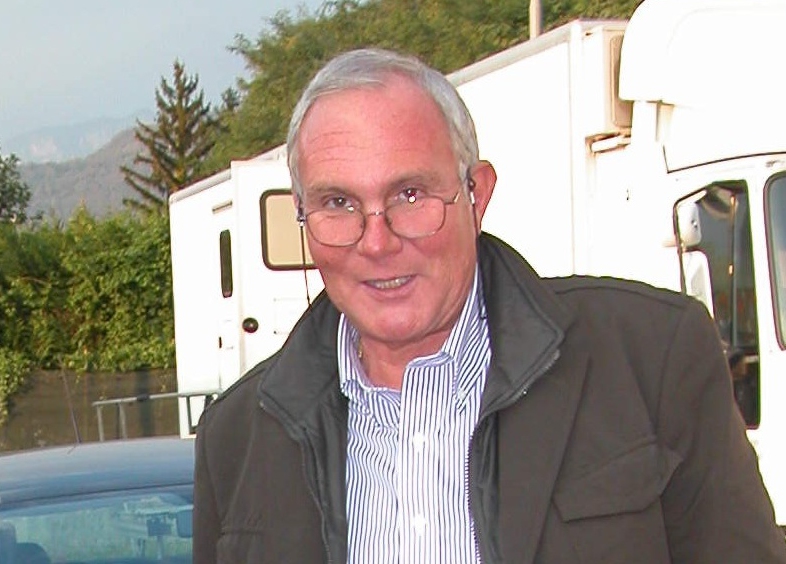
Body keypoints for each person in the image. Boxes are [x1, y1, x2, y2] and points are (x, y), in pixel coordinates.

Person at [193, 48, 786, 563]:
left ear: (476, 195)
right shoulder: (237, 438)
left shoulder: (649, 358)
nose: (376, 242)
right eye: (338, 203)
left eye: (410, 195)